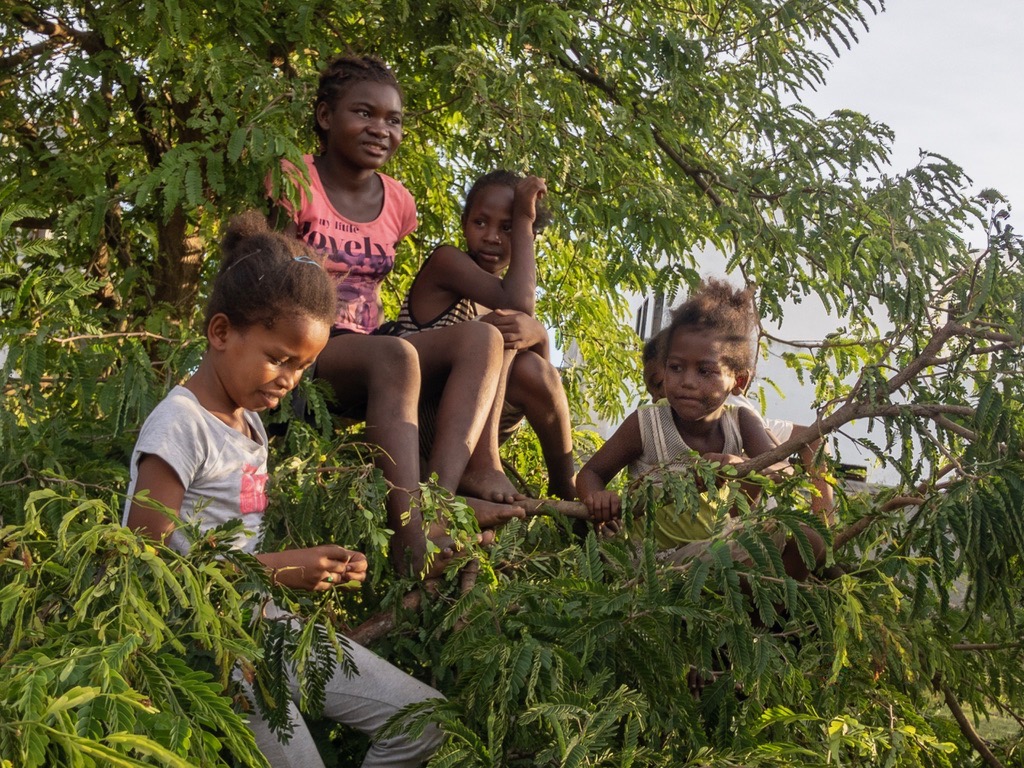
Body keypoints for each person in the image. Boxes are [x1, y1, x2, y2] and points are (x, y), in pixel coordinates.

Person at [123, 211, 444, 768]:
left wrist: (312, 571)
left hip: (264, 621)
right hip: (206, 643)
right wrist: (281, 569)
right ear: (221, 333)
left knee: (425, 721)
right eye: (278, 358)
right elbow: (144, 564)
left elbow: (242, 553)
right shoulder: (180, 424)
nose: (290, 380)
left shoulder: (248, 425)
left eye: (303, 366)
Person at [267, 55, 522, 573]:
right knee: (395, 356)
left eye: (394, 119)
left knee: (482, 340)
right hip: (308, 352)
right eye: (365, 113)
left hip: (370, 345)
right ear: (324, 117)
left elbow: (514, 302)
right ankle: (409, 539)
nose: (381, 129)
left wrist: (530, 224)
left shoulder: (398, 202)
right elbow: (266, 277)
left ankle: (438, 505)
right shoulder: (296, 180)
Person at [578, 278, 825, 579]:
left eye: (705, 370)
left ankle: (763, 623)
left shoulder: (741, 422)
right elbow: (591, 473)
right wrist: (597, 498)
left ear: (739, 381)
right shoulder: (647, 423)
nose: (687, 381)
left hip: (713, 547)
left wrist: (741, 467)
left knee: (809, 538)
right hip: (650, 561)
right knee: (731, 568)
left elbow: (783, 474)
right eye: (675, 367)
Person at [382, 170, 576, 501]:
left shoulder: (501, 301)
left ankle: (565, 484)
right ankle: (480, 466)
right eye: (481, 223)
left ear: (529, 238)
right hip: (419, 419)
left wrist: (541, 336)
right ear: (464, 223)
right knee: (498, 331)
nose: (491, 237)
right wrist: (524, 216)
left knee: (528, 358)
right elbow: (518, 303)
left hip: (469, 429)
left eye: (508, 228)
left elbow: (538, 381)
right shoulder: (447, 264)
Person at [643, 328, 834, 524]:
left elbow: (803, 446)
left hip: (746, 535)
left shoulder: (730, 412)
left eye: (659, 384)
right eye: (652, 390)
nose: (657, 397)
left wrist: (824, 521)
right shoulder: (657, 422)